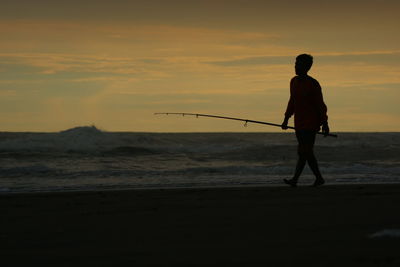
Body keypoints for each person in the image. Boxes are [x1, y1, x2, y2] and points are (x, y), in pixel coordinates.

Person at [281, 54, 329, 187]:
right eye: (295, 64)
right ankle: (306, 179)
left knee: (305, 151)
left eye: (299, 64)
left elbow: (320, 105)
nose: (296, 66)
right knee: (304, 152)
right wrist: (286, 119)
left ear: (307, 67)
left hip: (311, 123)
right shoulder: (293, 81)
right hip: (298, 123)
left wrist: (325, 123)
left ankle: (303, 179)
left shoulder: (313, 84)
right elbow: (292, 101)